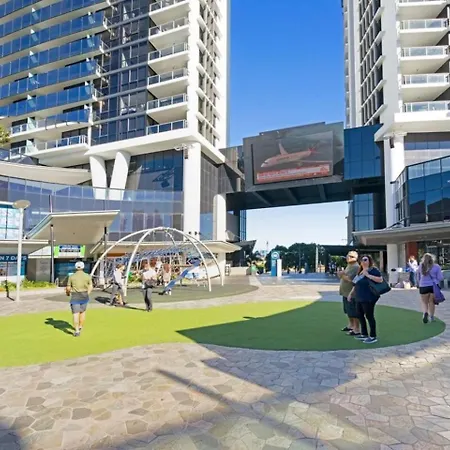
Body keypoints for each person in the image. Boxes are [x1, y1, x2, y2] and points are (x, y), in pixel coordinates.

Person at [349, 255, 384, 344]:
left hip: (369, 297)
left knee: (369, 316)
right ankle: (364, 333)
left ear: (369, 261)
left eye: (365, 260)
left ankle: (373, 336)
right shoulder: (360, 271)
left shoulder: (373, 270)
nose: (363, 261)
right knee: (360, 315)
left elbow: (380, 280)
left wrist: (368, 275)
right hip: (359, 297)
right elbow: (355, 284)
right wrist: (350, 294)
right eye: (362, 260)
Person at [66, 261, 93, 337]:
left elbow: (68, 287)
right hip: (84, 295)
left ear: (75, 267)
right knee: (82, 312)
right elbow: (91, 286)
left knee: (75, 313)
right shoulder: (87, 276)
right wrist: (88, 293)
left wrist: (68, 293)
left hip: (75, 295)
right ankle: (80, 326)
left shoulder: (72, 276)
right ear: (83, 267)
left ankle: (77, 331)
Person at [337, 251, 360, 335]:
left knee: (353, 312)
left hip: (351, 293)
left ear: (356, 258)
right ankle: (351, 325)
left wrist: (341, 275)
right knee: (348, 311)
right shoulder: (349, 266)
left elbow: (350, 279)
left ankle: (356, 328)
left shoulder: (355, 267)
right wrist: (341, 274)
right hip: (345, 292)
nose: (348, 257)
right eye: (348, 256)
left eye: (351, 256)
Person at [417, 253, 443, 323]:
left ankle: (425, 313)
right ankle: (432, 317)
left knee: (424, 302)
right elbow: (440, 277)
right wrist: (436, 280)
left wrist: (419, 283)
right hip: (433, 286)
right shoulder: (436, 266)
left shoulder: (421, 266)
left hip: (423, 286)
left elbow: (418, 276)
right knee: (431, 302)